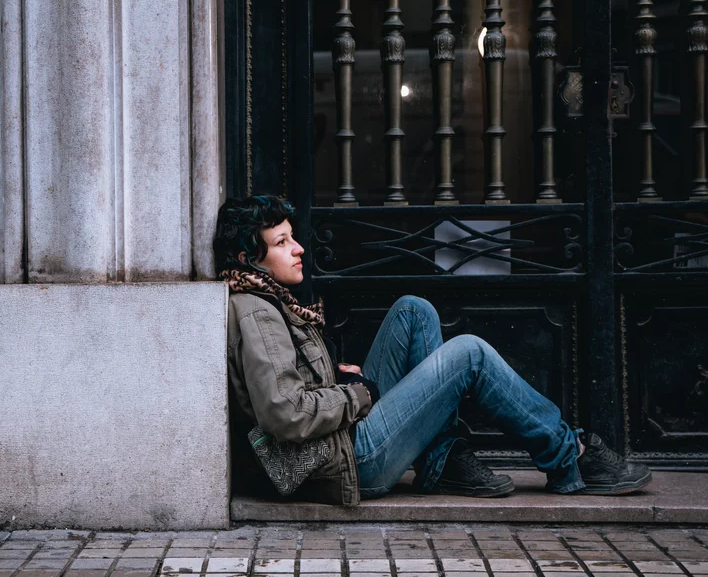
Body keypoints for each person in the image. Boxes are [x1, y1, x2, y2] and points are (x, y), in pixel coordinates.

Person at [215, 195, 652, 505]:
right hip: (352, 458)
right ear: (248, 259)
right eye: (282, 243)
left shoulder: (267, 300)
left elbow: (293, 384)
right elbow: (284, 413)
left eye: (293, 237)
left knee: (413, 311)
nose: (299, 249)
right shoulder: (256, 313)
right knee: (469, 353)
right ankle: (568, 456)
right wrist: (357, 394)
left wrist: (336, 377)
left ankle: (441, 462)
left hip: (342, 434)